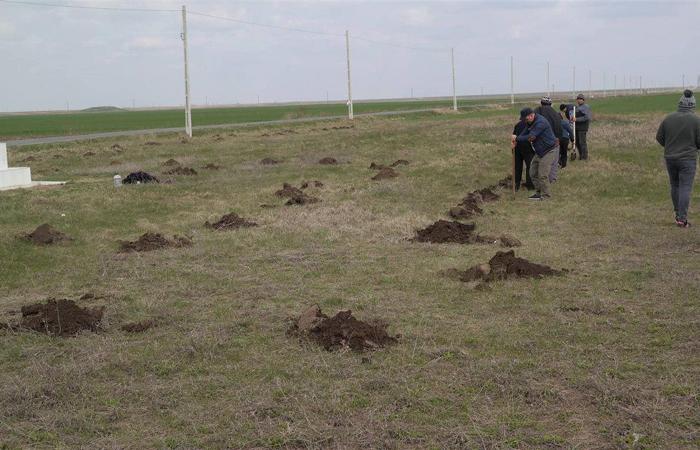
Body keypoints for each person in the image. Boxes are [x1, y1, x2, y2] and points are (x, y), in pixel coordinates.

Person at [655, 89, 700, 228]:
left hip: (670, 158)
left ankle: (677, 214)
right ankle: (682, 218)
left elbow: (659, 137)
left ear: (679, 103)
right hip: (688, 159)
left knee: (675, 185)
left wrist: (670, 146)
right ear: (693, 105)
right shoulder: (696, 120)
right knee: (685, 187)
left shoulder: (668, 118)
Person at [516, 107, 558, 200]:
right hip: (539, 151)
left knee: (542, 175)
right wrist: (518, 138)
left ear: (531, 115)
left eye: (525, 119)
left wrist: (517, 138)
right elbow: (525, 131)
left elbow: (531, 136)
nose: (525, 121)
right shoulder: (530, 122)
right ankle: (539, 193)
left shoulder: (540, 122)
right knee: (533, 173)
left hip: (548, 151)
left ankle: (546, 196)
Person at [535, 96, 563, 182]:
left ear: (541, 103)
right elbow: (559, 128)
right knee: (554, 161)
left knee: (539, 160)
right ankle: (552, 179)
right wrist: (558, 138)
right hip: (554, 140)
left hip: (540, 140)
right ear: (550, 104)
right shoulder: (555, 113)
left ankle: (539, 179)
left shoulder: (537, 111)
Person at [511, 113, 535, 191]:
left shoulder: (517, 125)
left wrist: (513, 148)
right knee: (530, 166)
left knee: (517, 166)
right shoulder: (531, 125)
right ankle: (530, 185)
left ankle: (516, 185)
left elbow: (513, 137)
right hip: (527, 148)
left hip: (517, 147)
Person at [572, 93, 592, 160]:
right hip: (576, 127)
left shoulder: (586, 107)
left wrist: (576, 119)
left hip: (582, 128)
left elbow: (586, 117)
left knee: (582, 142)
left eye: (580, 99)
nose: (579, 100)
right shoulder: (577, 107)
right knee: (577, 142)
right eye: (578, 99)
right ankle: (581, 155)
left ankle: (584, 157)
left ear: (583, 100)